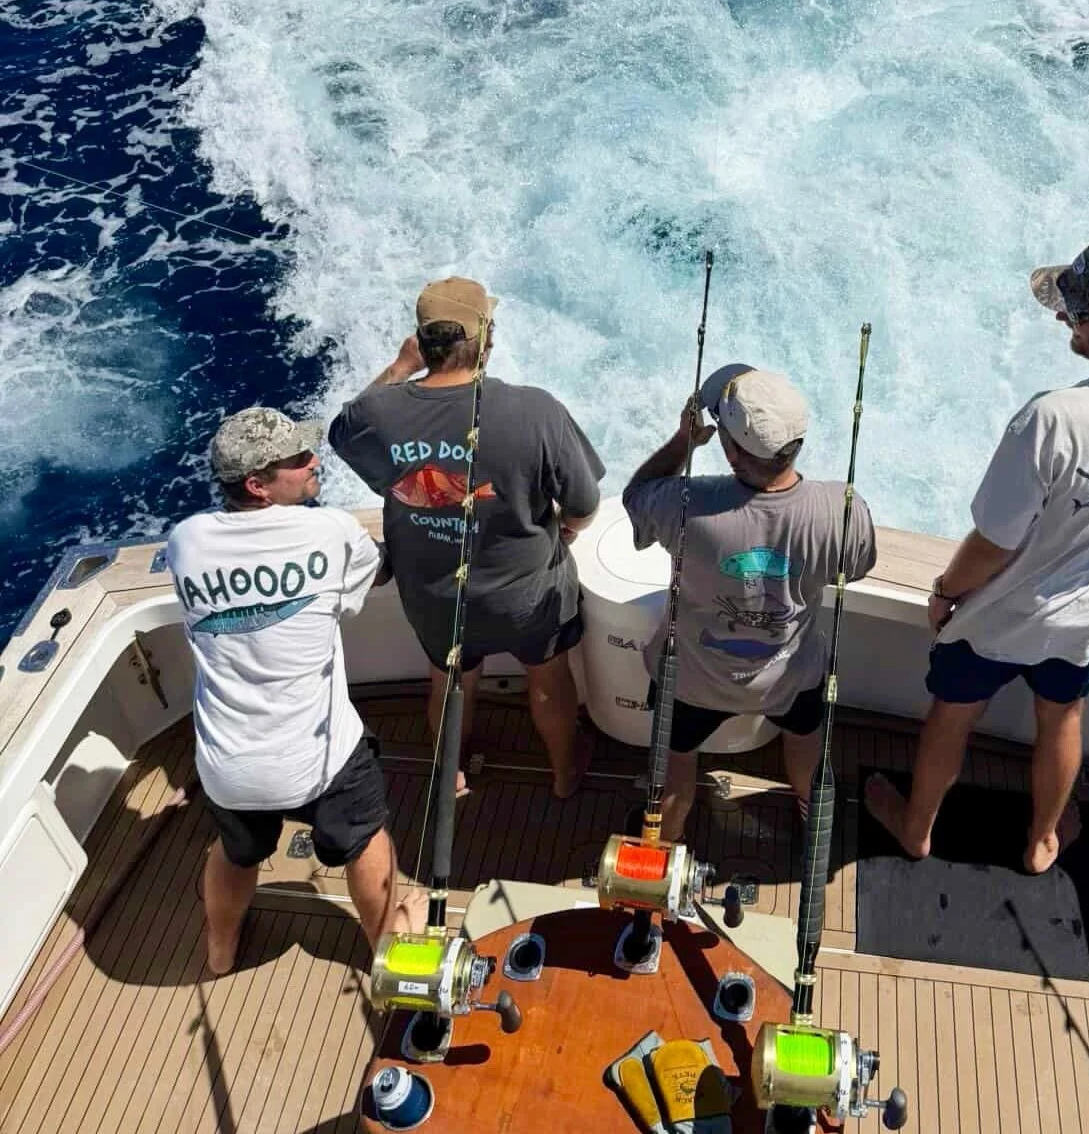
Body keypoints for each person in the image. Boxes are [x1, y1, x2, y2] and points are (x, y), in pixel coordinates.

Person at [866, 233, 1089, 875]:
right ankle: (1040, 844)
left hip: (999, 618)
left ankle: (916, 830)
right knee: (1063, 717)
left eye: (1079, 313)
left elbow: (993, 544)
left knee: (952, 716)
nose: (1065, 319)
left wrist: (946, 592)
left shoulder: (1053, 417)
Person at [329, 277, 603, 799]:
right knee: (548, 678)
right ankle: (565, 773)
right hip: (526, 597)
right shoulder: (535, 410)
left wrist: (400, 368)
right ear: (486, 338)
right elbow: (584, 505)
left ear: (421, 342)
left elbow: (343, 430)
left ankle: (451, 772)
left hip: (433, 596)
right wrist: (567, 530)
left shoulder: (379, 414)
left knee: (449, 681)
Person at [166, 407, 414, 977]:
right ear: (258, 485)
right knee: (366, 839)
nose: (313, 461)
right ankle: (386, 952)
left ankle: (220, 949)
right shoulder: (329, 530)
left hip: (227, 767)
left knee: (236, 852)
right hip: (319, 761)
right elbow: (374, 576)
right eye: (298, 459)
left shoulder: (186, 540)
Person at [624, 364, 877, 842]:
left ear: (731, 451)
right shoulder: (843, 510)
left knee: (675, 776)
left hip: (692, 680)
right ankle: (815, 826)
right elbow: (857, 567)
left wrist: (683, 443)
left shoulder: (683, 502)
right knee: (806, 749)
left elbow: (636, 496)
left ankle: (662, 849)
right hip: (789, 676)